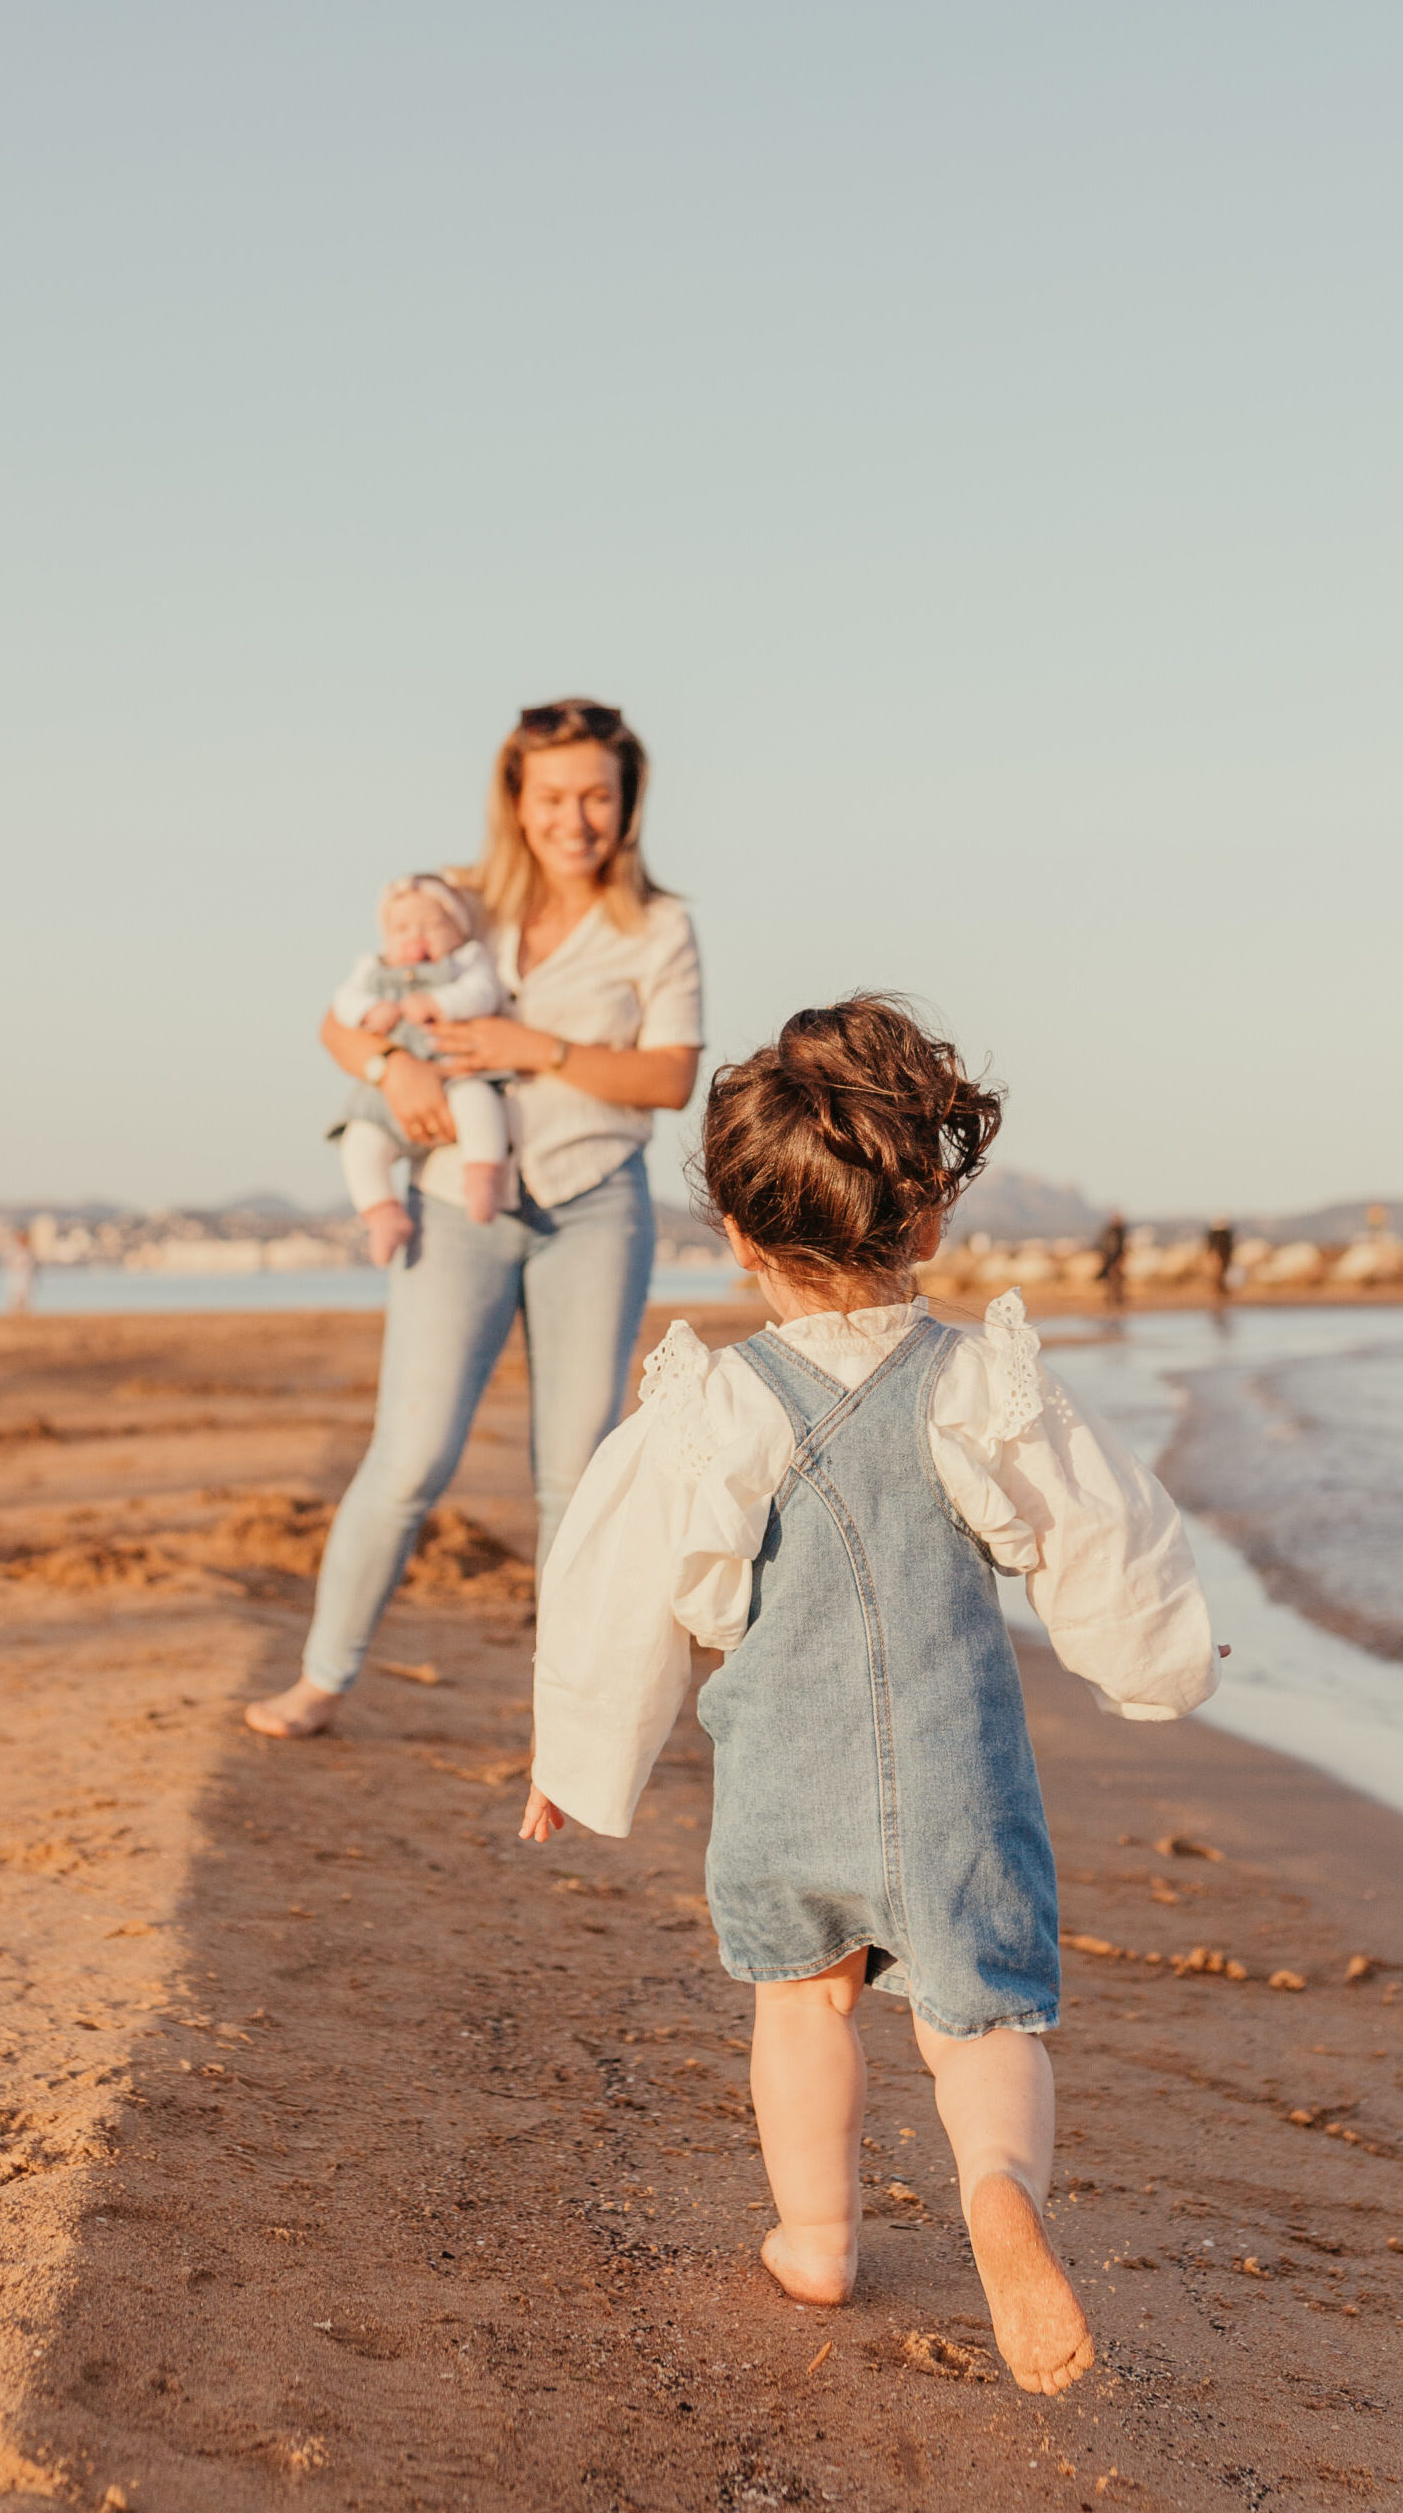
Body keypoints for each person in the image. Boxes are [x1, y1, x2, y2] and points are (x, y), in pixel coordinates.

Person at [520, 997, 1221, 2393]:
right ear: (927, 1226)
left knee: (802, 2006)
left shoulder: (711, 1409)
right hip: (961, 1782)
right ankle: (996, 2195)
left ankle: (817, 2238)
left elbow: (616, 1596)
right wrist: (1159, 1662)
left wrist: (574, 1754)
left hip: (785, 1784)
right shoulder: (981, 1387)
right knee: (982, 2024)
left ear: (732, 1235)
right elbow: (1100, 1534)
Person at [245, 698, 702, 1740]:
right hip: (453, 1203)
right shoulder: (451, 901)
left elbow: (671, 1075)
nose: (573, 817)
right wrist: (392, 1063)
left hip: (597, 1205)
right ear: (517, 798)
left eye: (596, 794)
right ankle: (321, 1678)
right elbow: (338, 1018)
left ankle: (568, 1718)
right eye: (552, 795)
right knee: (407, 1459)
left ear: (629, 802)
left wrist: (528, 1046)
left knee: (574, 1472)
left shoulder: (661, 926)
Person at [329, 873, 511, 1263]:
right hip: (385, 1096)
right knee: (358, 1142)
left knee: (480, 1104)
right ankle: (382, 1214)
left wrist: (441, 1004)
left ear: (457, 930)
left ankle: (482, 1177)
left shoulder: (466, 962)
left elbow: (483, 993)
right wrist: (368, 1012)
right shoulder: (371, 968)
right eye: (401, 928)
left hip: (454, 1073)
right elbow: (342, 1003)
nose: (415, 936)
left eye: (430, 926)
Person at [1094, 1209, 1127, 1307]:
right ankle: (1113, 1299)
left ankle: (1115, 1299)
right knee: (1113, 1278)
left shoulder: (1117, 1231)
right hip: (1111, 1257)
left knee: (1115, 1279)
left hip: (1112, 1257)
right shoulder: (1113, 1231)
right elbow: (1111, 1245)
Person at [1206, 1217, 1234, 1296]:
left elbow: (1229, 1245)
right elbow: (1211, 1245)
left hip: (1224, 1254)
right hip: (1219, 1254)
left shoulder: (1224, 1233)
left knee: (1222, 1272)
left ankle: (1221, 1289)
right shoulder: (1217, 1233)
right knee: (1218, 1272)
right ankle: (1218, 1289)